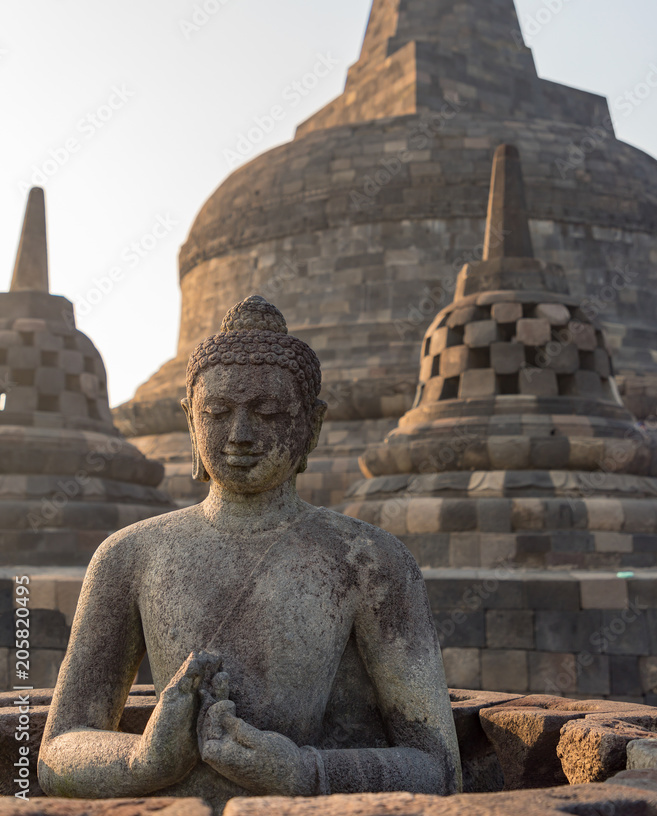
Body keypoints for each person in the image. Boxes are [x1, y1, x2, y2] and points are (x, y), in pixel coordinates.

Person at [39, 297, 461, 811]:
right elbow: (58, 751)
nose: (240, 436)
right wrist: (142, 762)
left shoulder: (367, 561)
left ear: (312, 425)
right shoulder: (130, 556)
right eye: (216, 413)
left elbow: (437, 767)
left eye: (268, 413)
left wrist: (307, 772)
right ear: (190, 422)